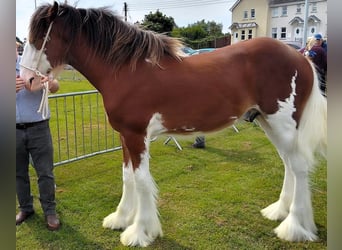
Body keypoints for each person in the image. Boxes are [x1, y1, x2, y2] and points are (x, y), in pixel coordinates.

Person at [16, 42, 61, 230]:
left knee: (45, 172)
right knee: (18, 173)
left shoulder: (33, 65)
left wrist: (51, 83)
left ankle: (50, 211)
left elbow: (56, 86)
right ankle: (26, 208)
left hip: (39, 127)